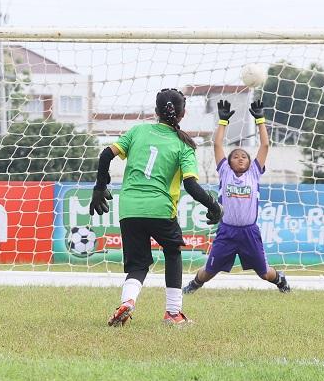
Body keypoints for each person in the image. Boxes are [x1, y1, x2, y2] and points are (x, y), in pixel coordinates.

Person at [91, 88, 223, 327]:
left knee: (138, 264)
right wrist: (214, 206)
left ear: (156, 112)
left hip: (129, 208)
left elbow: (105, 155)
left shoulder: (138, 131)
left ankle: (128, 301)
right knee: (173, 252)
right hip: (160, 209)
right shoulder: (184, 145)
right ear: (183, 114)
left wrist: (100, 187)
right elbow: (191, 186)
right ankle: (173, 313)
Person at [182, 98, 290, 294]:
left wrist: (260, 120)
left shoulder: (254, 173)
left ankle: (281, 280)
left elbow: (265, 145)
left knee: (264, 273)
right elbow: (217, 145)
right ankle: (193, 285)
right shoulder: (225, 172)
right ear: (229, 163)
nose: (240, 158)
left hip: (249, 232)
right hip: (227, 232)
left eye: (244, 156)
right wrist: (223, 122)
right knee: (209, 271)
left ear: (250, 162)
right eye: (235, 156)